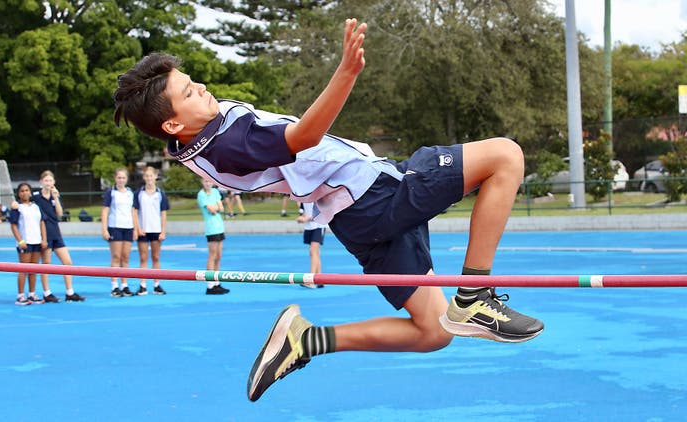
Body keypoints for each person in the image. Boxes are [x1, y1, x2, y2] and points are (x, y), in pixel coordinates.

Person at [113, 18, 544, 402]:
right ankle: (474, 295)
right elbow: (302, 137)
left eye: (193, 80)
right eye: (189, 91)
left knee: (433, 331)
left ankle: (306, 340)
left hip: (356, 215)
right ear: (172, 123)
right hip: (373, 195)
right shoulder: (224, 144)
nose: (202, 87)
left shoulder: (196, 138)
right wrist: (345, 74)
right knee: (505, 156)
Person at [32, 170, 86, 302]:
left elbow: (60, 215)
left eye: (50, 181)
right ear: (41, 182)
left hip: (56, 233)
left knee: (67, 262)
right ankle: (47, 293)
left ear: (54, 182)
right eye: (46, 181)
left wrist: (55, 197)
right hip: (44, 234)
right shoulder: (36, 197)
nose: (48, 183)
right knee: (46, 264)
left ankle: (69, 292)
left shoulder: (55, 196)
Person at [132, 166, 170, 295]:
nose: (149, 178)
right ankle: (142, 285)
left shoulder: (160, 194)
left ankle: (156, 284)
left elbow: (163, 213)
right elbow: (134, 211)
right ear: (144, 177)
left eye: (151, 176)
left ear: (155, 176)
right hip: (143, 229)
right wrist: (137, 228)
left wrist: (163, 231)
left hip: (156, 229)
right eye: (146, 176)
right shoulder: (139, 193)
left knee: (156, 257)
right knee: (143, 258)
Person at [9, 183, 48, 305]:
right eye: (22, 191)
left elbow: (42, 222)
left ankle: (32, 293)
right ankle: (20, 295)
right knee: (23, 268)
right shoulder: (17, 208)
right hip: (25, 242)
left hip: (36, 241)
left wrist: (44, 239)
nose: (25, 193)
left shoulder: (36, 207)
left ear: (30, 192)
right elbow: (13, 225)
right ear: (18, 193)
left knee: (34, 268)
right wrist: (20, 241)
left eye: (27, 190)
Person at [101, 167, 136, 297]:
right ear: (115, 178)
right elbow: (105, 211)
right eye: (119, 177)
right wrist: (104, 229)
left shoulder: (130, 193)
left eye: (123, 178)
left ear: (126, 179)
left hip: (128, 227)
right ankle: (114, 285)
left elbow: (133, 211)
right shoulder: (111, 192)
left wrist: (135, 229)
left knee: (125, 257)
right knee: (116, 256)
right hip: (115, 226)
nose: (121, 180)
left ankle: (124, 285)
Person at [197, 178, 230, 295]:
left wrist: (217, 207)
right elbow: (211, 209)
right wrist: (216, 207)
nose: (208, 183)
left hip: (219, 227)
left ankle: (216, 281)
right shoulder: (201, 195)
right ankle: (210, 284)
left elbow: (221, 208)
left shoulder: (215, 192)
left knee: (219, 256)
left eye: (209, 181)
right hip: (211, 229)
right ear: (202, 182)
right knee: (212, 255)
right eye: (205, 181)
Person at [296, 202, 326, 288]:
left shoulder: (315, 193)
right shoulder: (302, 195)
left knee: (313, 251)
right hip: (309, 226)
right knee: (315, 252)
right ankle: (320, 279)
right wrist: (301, 217)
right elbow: (303, 209)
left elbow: (320, 212)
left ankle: (310, 280)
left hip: (318, 225)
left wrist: (306, 219)